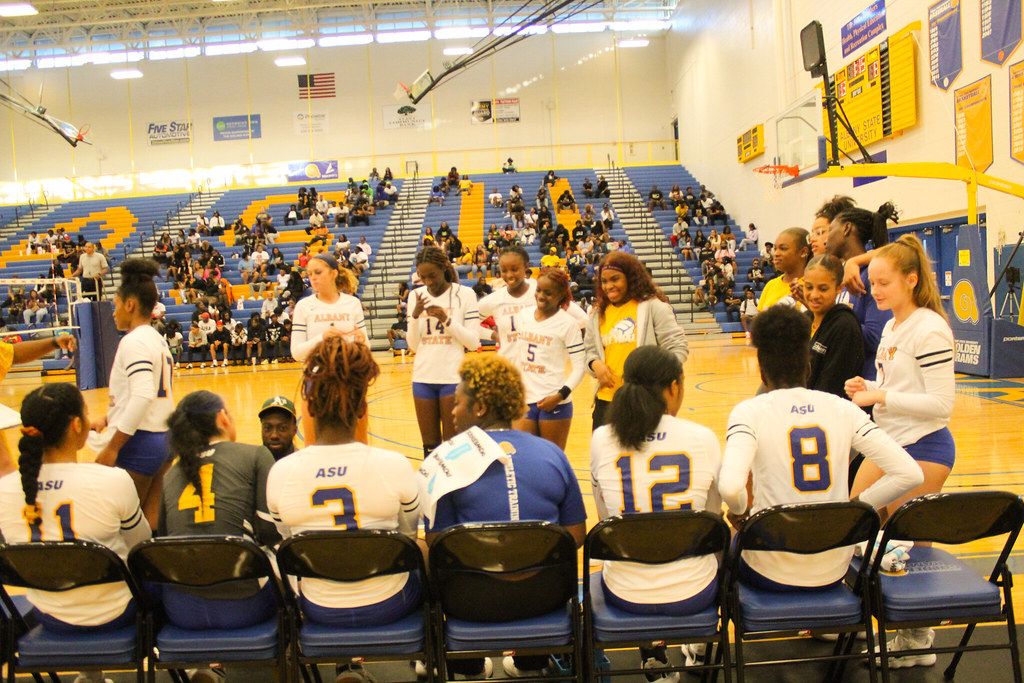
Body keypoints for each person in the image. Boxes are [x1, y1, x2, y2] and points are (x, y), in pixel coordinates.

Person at [718, 305, 922, 592]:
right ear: (808, 365)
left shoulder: (749, 412)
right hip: (833, 569)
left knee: (718, 547)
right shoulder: (843, 409)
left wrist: (740, 513)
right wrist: (856, 509)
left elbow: (729, 488)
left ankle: (701, 636)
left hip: (769, 570)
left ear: (762, 371)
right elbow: (910, 473)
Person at [267, 338, 421, 683]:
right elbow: (407, 537)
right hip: (390, 601)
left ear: (308, 406)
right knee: (425, 549)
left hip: (318, 607)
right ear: (362, 407)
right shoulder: (393, 465)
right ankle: (436, 662)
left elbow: (289, 545)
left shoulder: (281, 473)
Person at [424, 355, 586, 679]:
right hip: (547, 597)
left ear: (480, 407)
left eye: (457, 403)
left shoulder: (444, 459)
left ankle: (466, 664)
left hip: (472, 602)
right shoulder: (553, 453)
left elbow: (437, 544)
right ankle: (532, 661)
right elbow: (576, 535)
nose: (452, 412)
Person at [0, 383, 151, 683]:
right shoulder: (113, 480)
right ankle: (198, 669)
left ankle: (90, 678)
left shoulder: (4, 490)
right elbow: (141, 549)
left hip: (48, 615)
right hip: (117, 614)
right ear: (77, 425)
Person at [590, 345, 723, 676]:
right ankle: (700, 647)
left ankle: (654, 656)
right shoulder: (702, 437)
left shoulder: (602, 438)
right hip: (696, 591)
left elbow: (606, 520)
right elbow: (713, 520)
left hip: (624, 592)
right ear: (674, 386)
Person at [159, 390, 281, 651]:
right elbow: (272, 533)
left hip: (181, 610)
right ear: (222, 417)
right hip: (246, 606)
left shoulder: (171, 474)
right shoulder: (256, 455)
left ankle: (202, 666)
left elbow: (162, 542)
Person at [87, 258, 174, 529]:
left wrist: (113, 447)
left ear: (130, 304)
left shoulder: (133, 341)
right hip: (165, 438)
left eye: (114, 306)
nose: (113, 313)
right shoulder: (157, 339)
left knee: (120, 523)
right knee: (149, 519)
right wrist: (110, 417)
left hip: (140, 442)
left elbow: (143, 394)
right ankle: (152, 569)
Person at [584, 251, 689, 429]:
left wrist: (655, 377)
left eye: (615, 279)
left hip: (646, 401)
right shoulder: (597, 314)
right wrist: (595, 364)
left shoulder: (654, 307)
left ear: (631, 278)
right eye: (604, 281)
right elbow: (589, 351)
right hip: (606, 401)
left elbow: (678, 348)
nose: (608, 286)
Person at [408, 247, 479, 455]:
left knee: (452, 448)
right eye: (423, 277)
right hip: (422, 378)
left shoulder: (465, 294)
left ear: (444, 268)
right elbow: (413, 345)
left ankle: (455, 488)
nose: (428, 282)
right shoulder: (415, 295)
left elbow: (473, 342)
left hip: (452, 378)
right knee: (430, 448)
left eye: (433, 276)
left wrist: (446, 320)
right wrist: (413, 317)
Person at [510, 269, 584, 451]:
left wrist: (560, 395)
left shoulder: (568, 324)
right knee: (525, 460)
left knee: (552, 463)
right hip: (525, 399)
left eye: (548, 293)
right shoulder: (523, 316)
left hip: (554, 401)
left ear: (561, 295)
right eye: (539, 290)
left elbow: (580, 367)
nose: (541, 296)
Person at [826, 202, 898, 380]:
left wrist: (831, 323)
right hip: (850, 380)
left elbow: (876, 337)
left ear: (846, 228)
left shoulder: (873, 274)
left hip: (870, 384)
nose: (825, 239)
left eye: (829, 230)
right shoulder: (847, 273)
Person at [804, 255, 864, 399]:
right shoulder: (803, 320)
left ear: (839, 288)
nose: (814, 295)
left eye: (823, 289)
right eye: (809, 287)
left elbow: (832, 388)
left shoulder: (844, 326)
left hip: (830, 411)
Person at [291, 254, 366, 360]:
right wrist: (322, 338)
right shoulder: (303, 306)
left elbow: (366, 347)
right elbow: (296, 353)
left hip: (348, 373)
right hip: (316, 374)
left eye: (318, 272)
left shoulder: (353, 303)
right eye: (310, 274)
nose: (313, 277)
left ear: (333, 273)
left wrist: (355, 346)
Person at [477, 246, 537, 360]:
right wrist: (493, 335)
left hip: (539, 371)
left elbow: (580, 320)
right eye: (504, 270)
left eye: (514, 269)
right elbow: (466, 323)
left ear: (526, 267)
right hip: (508, 371)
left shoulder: (540, 292)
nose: (509, 275)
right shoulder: (494, 299)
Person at [758, 227, 809, 311]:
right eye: (775, 249)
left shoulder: (811, 286)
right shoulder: (771, 285)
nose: (776, 254)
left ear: (803, 252)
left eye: (783, 248)